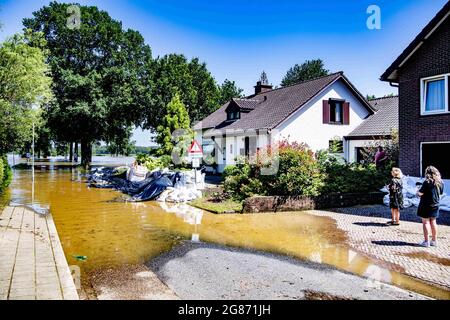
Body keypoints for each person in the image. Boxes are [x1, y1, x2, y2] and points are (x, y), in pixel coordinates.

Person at [417, 166, 444, 247]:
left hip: (426, 205)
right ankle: (434, 241)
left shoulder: (427, 182)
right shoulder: (440, 182)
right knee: (433, 222)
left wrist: (417, 192)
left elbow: (421, 193)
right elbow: (441, 193)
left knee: (426, 222)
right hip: (435, 204)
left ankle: (426, 242)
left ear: (427, 173)